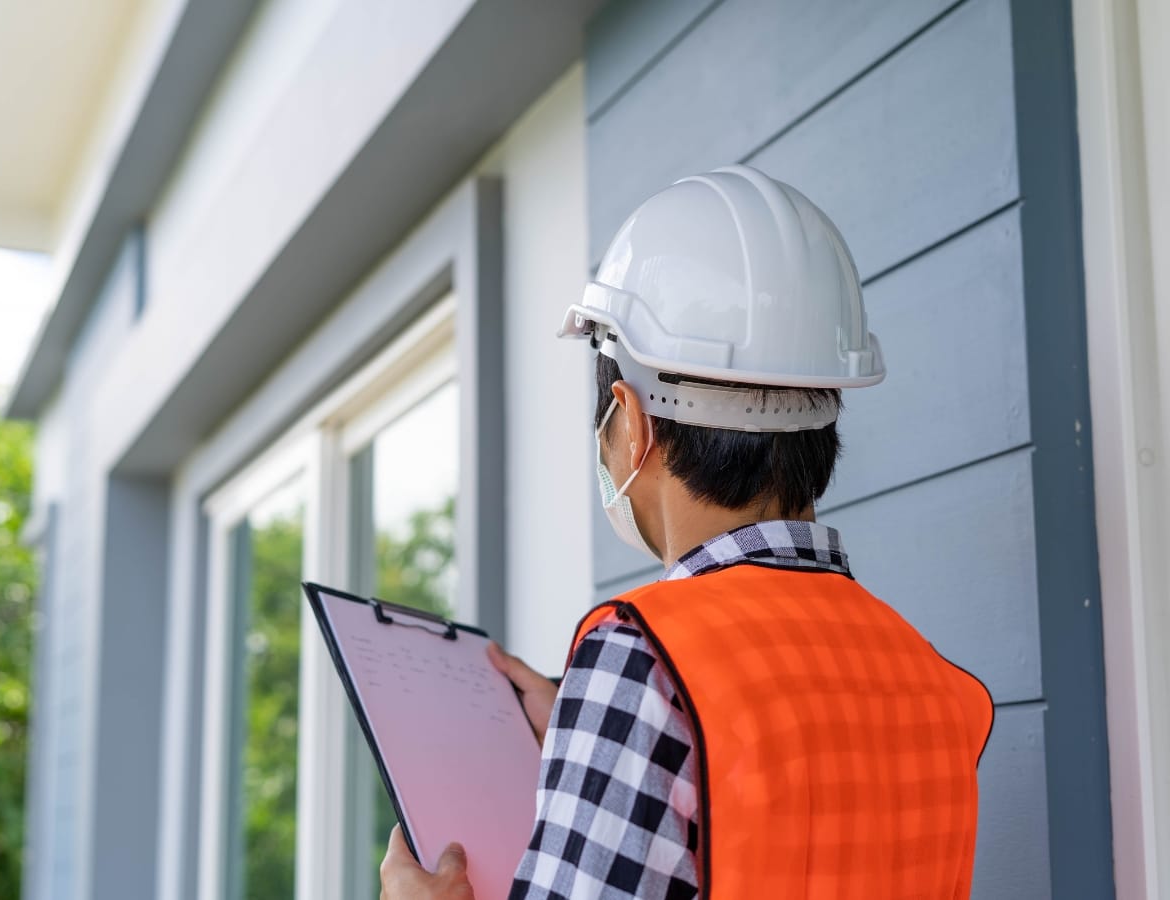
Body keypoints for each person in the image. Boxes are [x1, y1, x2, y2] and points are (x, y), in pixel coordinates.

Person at [380, 165, 993, 899]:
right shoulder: (928, 676)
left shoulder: (643, 660)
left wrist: (621, 713)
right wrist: (608, 739)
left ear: (631, 422)